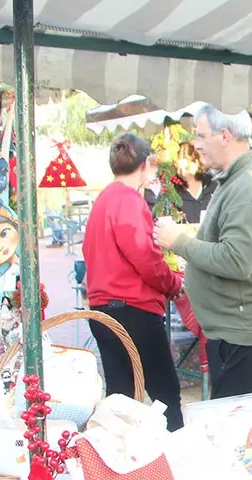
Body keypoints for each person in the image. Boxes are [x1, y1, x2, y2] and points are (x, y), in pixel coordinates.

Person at [153, 105, 252, 399]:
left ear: (225, 136)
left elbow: (236, 261)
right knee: (238, 421)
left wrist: (179, 241)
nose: (197, 144)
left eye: (201, 135)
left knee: (235, 425)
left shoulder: (247, 187)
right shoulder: (240, 180)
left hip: (243, 328)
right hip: (237, 326)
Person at [83, 133, 186, 430]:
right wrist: (173, 284)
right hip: (133, 310)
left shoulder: (103, 199)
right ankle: (174, 458)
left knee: (121, 399)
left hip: (104, 310)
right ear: (145, 165)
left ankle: (128, 466)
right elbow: (145, 258)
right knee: (164, 394)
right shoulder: (128, 200)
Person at [144, 142, 215, 225]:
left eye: (186, 167)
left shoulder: (212, 185)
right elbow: (158, 216)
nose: (182, 173)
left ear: (196, 162)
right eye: (179, 169)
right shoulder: (171, 190)